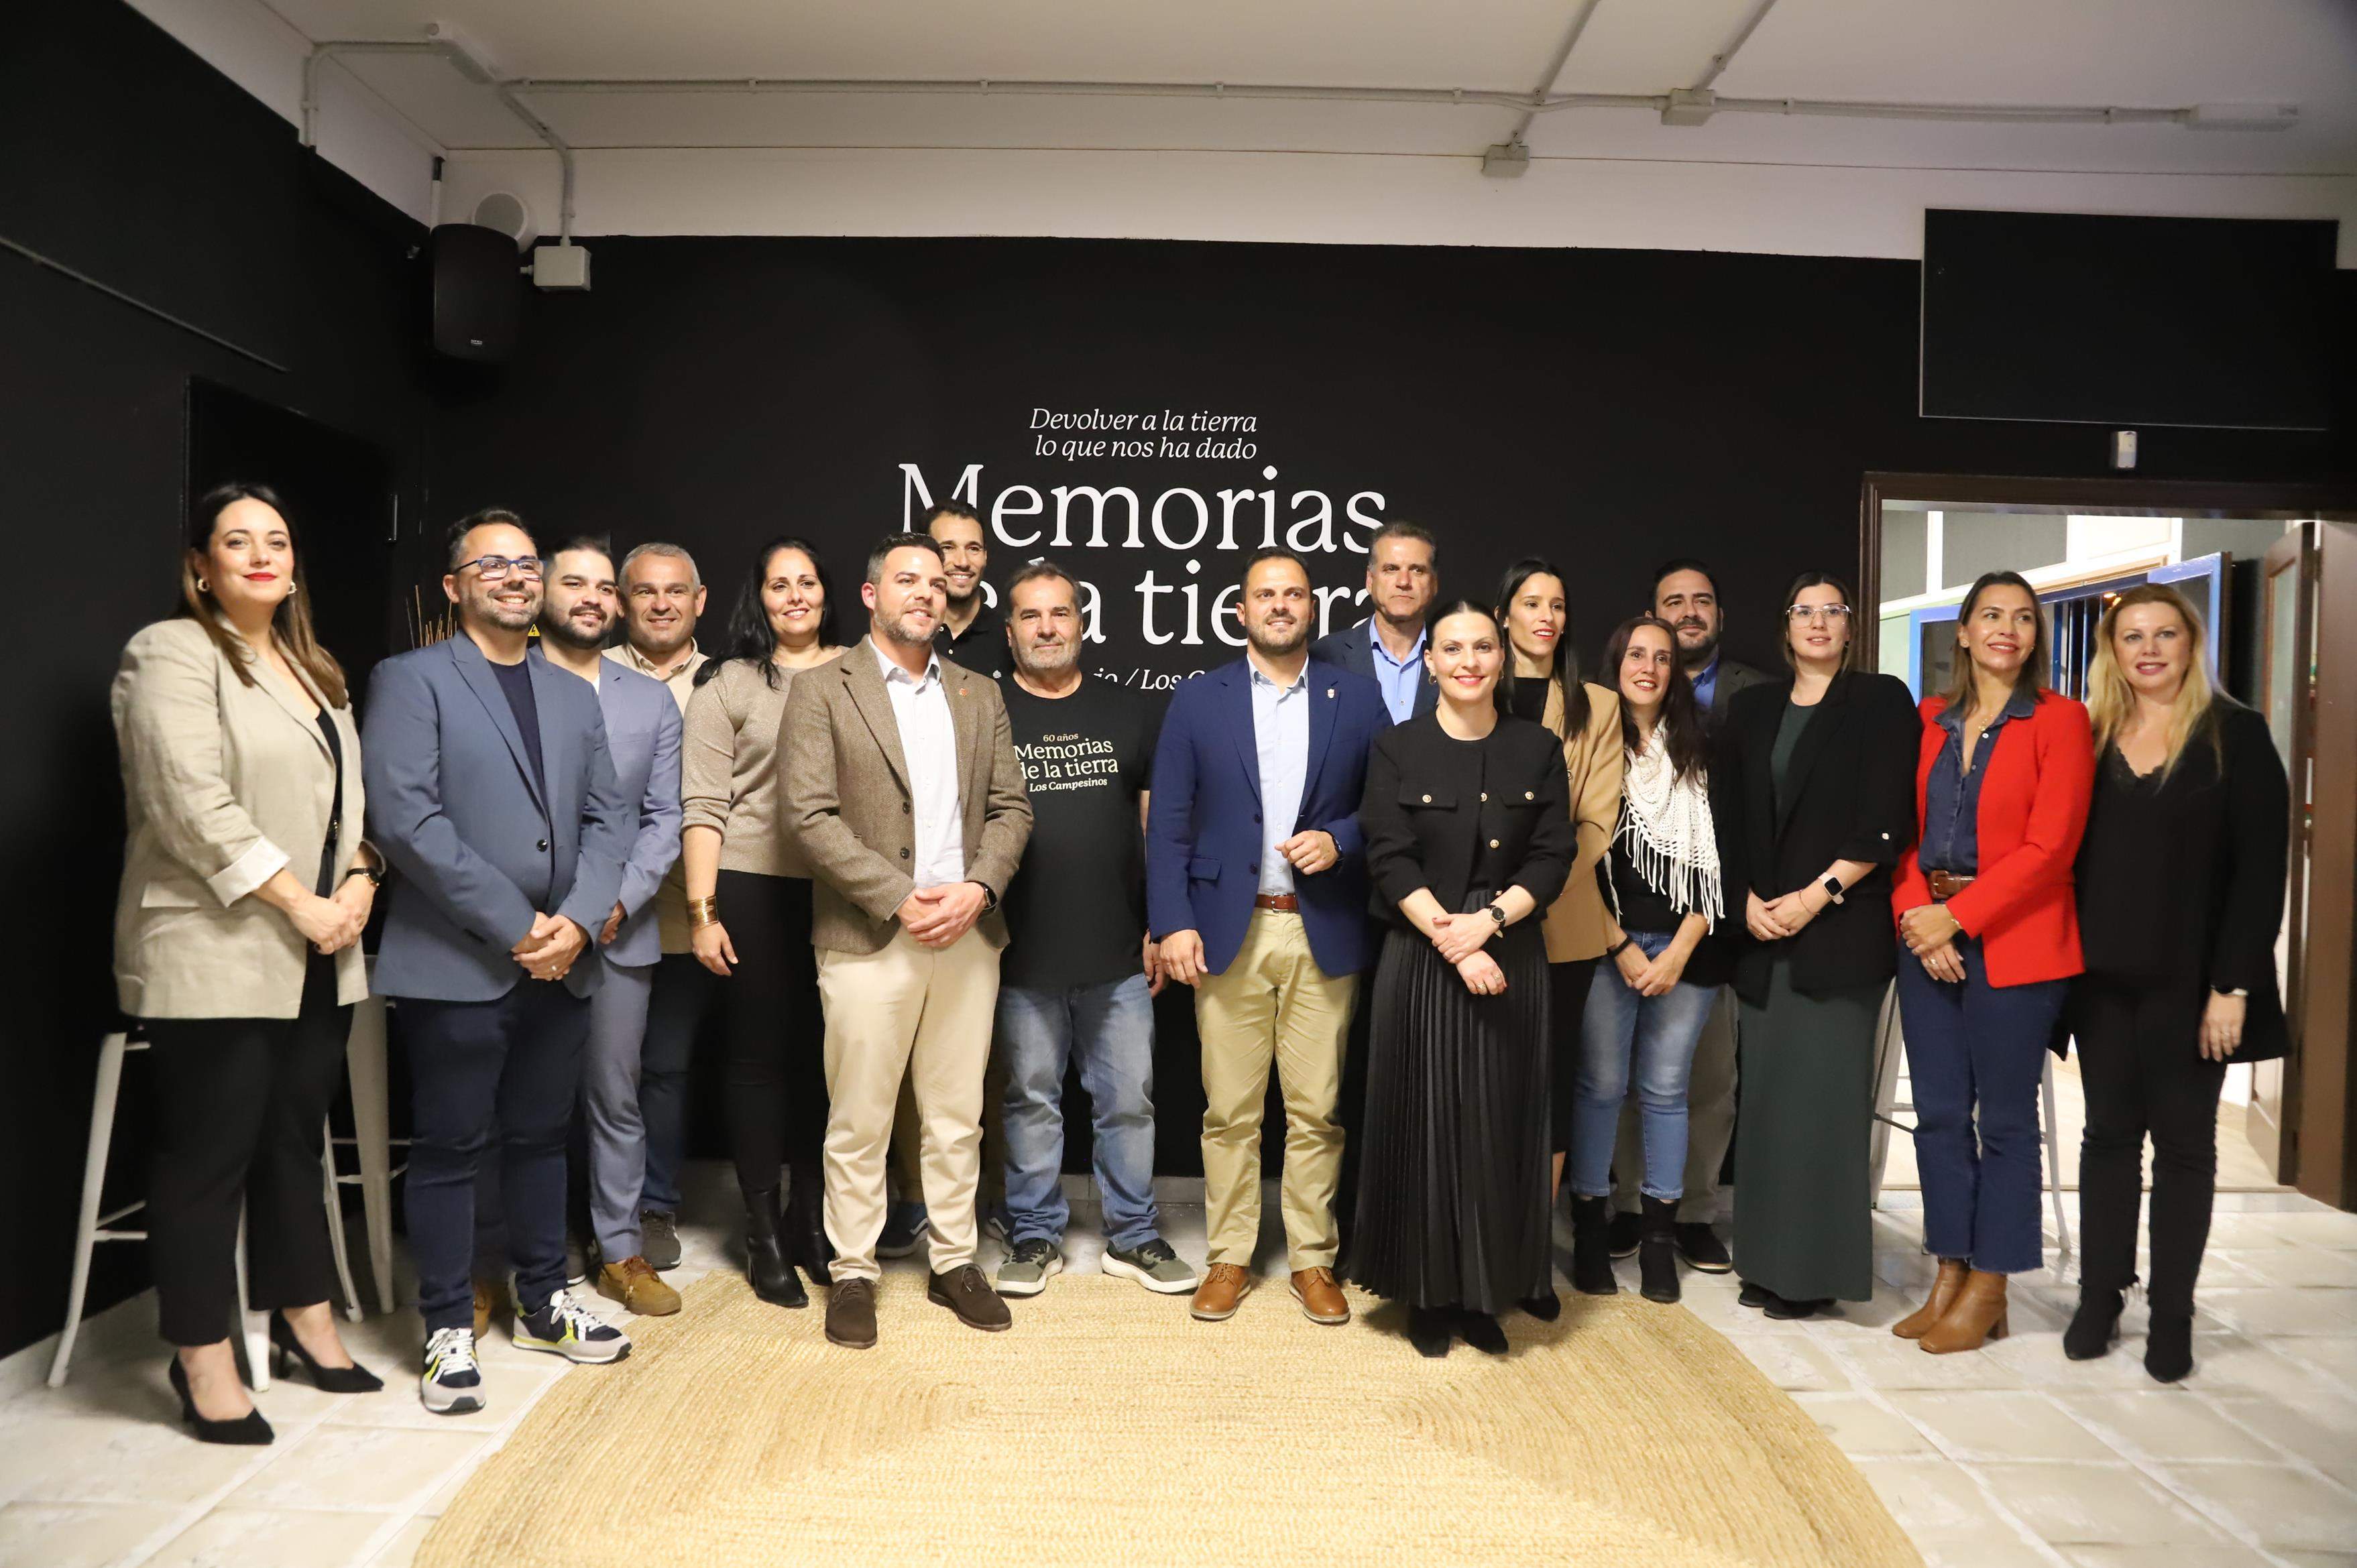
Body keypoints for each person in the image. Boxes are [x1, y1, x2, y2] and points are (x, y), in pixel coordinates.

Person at [113, 483, 386, 1443]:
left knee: (291, 1142)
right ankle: (203, 1355)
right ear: (202, 562)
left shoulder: (315, 671)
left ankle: (306, 1317)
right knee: (206, 1157)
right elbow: (187, 800)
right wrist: (303, 900)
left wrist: (359, 878)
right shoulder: (172, 652)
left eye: (277, 538)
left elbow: (346, 810)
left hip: (316, 949)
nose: (262, 554)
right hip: (213, 944)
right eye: (238, 540)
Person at [365, 509, 636, 1414]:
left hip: (564, 958)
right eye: (494, 563)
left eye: (529, 563)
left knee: (538, 1135)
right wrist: (520, 924)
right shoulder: (408, 680)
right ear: (454, 586)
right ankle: (445, 1325)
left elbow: (609, 820)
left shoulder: (571, 693)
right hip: (457, 958)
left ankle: (541, 1299)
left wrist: (577, 921)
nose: (517, 576)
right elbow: (408, 821)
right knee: (448, 1145)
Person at [779, 532, 1033, 1350]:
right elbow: (808, 814)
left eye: (933, 581)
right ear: (870, 595)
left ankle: (955, 1259)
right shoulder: (824, 688)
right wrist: (898, 897)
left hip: (966, 931)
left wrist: (976, 888)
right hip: (866, 934)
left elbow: (1011, 808)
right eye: (905, 579)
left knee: (957, 1116)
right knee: (859, 1115)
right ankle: (853, 1270)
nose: (922, 592)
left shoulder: (975, 692)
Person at [1147, 549, 1388, 1327]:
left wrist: (1342, 839)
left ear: (1311, 608)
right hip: (1228, 930)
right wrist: (1172, 920)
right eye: (1264, 594)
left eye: (1293, 594)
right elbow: (1169, 824)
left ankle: (1313, 1260)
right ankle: (1230, 1255)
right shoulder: (1198, 698)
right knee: (1229, 1110)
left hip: (1321, 927)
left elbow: (1388, 804)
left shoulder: (1354, 695)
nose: (1279, 605)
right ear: (1240, 611)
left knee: (1317, 1108)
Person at [2067, 583, 2289, 1384]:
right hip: (2098, 982)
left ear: (2191, 644)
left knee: (2185, 1150)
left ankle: (2172, 1314)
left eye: (2165, 633)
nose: (2149, 648)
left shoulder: (2236, 735)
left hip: (2193, 990)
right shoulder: (2086, 736)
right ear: (2112, 650)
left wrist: (2230, 987)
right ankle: (2099, 1296)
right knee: (2105, 1141)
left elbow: (2260, 875)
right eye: (2132, 636)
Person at [1348, 601, 1572, 1356]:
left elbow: (1551, 855)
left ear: (1500, 658)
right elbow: (1388, 856)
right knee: (1425, 1121)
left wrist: (1490, 925)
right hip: (1422, 953)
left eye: (1482, 647)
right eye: (1453, 648)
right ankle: (1425, 1294)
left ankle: (1485, 1292)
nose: (1469, 660)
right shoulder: (1396, 746)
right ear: (1432, 662)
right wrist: (1455, 937)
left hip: (1509, 948)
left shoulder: (1536, 747)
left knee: (1498, 1124)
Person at [1891, 570, 2093, 1355]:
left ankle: (1992, 1281)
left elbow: (2050, 850)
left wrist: (1958, 915)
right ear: (1964, 633)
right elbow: (1898, 832)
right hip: (1927, 939)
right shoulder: (1926, 719)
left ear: (2033, 636)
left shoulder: (2059, 720)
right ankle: (1948, 1267)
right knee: (1939, 1114)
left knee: (2004, 1121)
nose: (2006, 628)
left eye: (2021, 617)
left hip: (2019, 940)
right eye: (1989, 615)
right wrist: (1920, 918)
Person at [990, 562, 1198, 1298]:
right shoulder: (984, 710)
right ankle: (1034, 1234)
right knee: (1029, 1100)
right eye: (1030, 616)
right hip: (1018, 950)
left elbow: (1155, 824)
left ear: (1081, 622)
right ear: (1009, 628)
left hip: (1117, 949)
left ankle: (1134, 1235)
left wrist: (1158, 921)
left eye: (1059, 614)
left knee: (1127, 1101)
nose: (1047, 628)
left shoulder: (1129, 709)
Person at [1719, 573, 1919, 1319]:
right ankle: (1766, 1261)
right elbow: (1727, 816)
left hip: (1836, 934)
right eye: (1803, 610)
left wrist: (1812, 897)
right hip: (1761, 935)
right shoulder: (1752, 707)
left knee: (1824, 1110)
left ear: (1848, 625)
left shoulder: (1877, 700)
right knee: (1767, 1108)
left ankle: (1813, 1272)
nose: (1817, 622)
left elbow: (1883, 819)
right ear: (1784, 624)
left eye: (1831, 611)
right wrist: (1743, 899)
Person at [682, 536, 844, 1308]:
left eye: (806, 582)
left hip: (841, 889)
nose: (794, 596)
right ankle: (761, 1229)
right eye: (778, 585)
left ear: (825, 591)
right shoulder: (730, 682)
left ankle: (809, 1218)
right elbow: (705, 805)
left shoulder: (862, 672)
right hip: (749, 885)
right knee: (756, 1061)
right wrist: (702, 910)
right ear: (760, 596)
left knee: (826, 1062)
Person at [526, 540, 684, 1317]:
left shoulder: (649, 698)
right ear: (541, 593)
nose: (588, 597)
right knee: (519, 1097)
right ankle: (516, 1258)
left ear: (615, 604)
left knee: (615, 1095)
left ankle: (619, 1248)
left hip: (620, 930)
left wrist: (612, 903)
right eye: (572, 583)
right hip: (522, 930)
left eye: (600, 587)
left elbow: (664, 816)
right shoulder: (507, 679)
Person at [1567, 617, 1735, 1306]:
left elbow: (1728, 858)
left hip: (1686, 951)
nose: (1649, 666)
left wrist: (1683, 948)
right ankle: (1588, 1230)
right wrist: (1619, 945)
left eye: (1662, 657)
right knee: (1601, 1086)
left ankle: (1660, 1240)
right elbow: (1572, 857)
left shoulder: (1703, 749)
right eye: (1635, 653)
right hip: (1608, 943)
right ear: (1615, 662)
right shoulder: (1590, 744)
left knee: (1665, 1091)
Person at [1604, 559, 1768, 1266]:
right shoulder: (1601, 722)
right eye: (1674, 602)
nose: (1689, 611)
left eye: (1703, 600)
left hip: (1704, 928)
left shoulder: (1750, 697)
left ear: (1718, 617)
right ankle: (1625, 1204)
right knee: (1616, 1079)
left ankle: (1691, 1211)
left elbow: (1743, 825)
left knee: (1700, 1080)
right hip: (1623, 929)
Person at [1496, 559, 1622, 1251]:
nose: (1545, 615)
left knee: (1547, 1083)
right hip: (1469, 925)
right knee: (1487, 1083)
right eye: (1531, 601)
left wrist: (1523, 897)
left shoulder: (1595, 705)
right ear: (1504, 613)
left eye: (1557, 603)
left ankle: (1529, 1247)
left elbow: (1595, 823)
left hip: (1560, 921)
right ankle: (1481, 1231)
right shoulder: (1469, 683)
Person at [606, 542, 711, 1274]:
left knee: (666, 1067)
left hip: (698, 910)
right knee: (605, 1070)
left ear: (700, 601)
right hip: (612, 909)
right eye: (646, 591)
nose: (662, 603)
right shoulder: (590, 674)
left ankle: (654, 1203)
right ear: (621, 600)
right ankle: (600, 1209)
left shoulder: (731, 679)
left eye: (676, 591)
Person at [1310, 520, 1440, 725]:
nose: (1404, 582)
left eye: (1417, 570)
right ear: (1370, 581)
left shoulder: (1456, 658)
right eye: (1391, 569)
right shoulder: (1325, 656)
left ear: (1434, 584)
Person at [926, 502, 1007, 680]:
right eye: (947, 548)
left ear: (985, 555)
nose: (962, 562)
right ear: (926, 554)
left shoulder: (1010, 638)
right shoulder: (908, 633)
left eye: (973, 549)